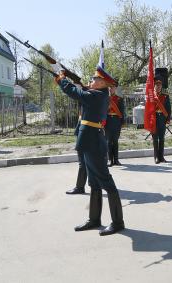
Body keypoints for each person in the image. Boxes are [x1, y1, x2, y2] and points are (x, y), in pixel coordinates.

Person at [54, 65, 125, 236]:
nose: (91, 80)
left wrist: (62, 79)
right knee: (93, 183)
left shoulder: (97, 96)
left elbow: (75, 93)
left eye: (94, 79)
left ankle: (118, 222)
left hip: (93, 142)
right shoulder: (97, 94)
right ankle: (94, 220)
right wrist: (68, 77)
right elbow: (82, 91)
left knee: (106, 182)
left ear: (102, 83)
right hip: (89, 141)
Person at [66, 104, 87, 194]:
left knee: (83, 162)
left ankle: (80, 187)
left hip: (85, 133)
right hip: (86, 131)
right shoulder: (99, 96)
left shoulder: (89, 97)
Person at [152, 75, 171, 164]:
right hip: (154, 119)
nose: (158, 87)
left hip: (162, 119)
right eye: (156, 85)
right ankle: (156, 157)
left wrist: (168, 120)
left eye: (160, 85)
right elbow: (148, 110)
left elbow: (168, 109)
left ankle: (161, 157)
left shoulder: (165, 96)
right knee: (155, 139)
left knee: (162, 138)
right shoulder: (151, 97)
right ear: (154, 86)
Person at [105, 82, 125, 166]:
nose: (111, 89)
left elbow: (122, 111)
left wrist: (122, 122)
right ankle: (110, 160)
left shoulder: (119, 99)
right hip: (108, 121)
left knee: (115, 141)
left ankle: (116, 160)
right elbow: (102, 111)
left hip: (116, 121)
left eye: (112, 87)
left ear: (115, 88)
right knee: (109, 141)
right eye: (109, 87)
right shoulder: (105, 99)